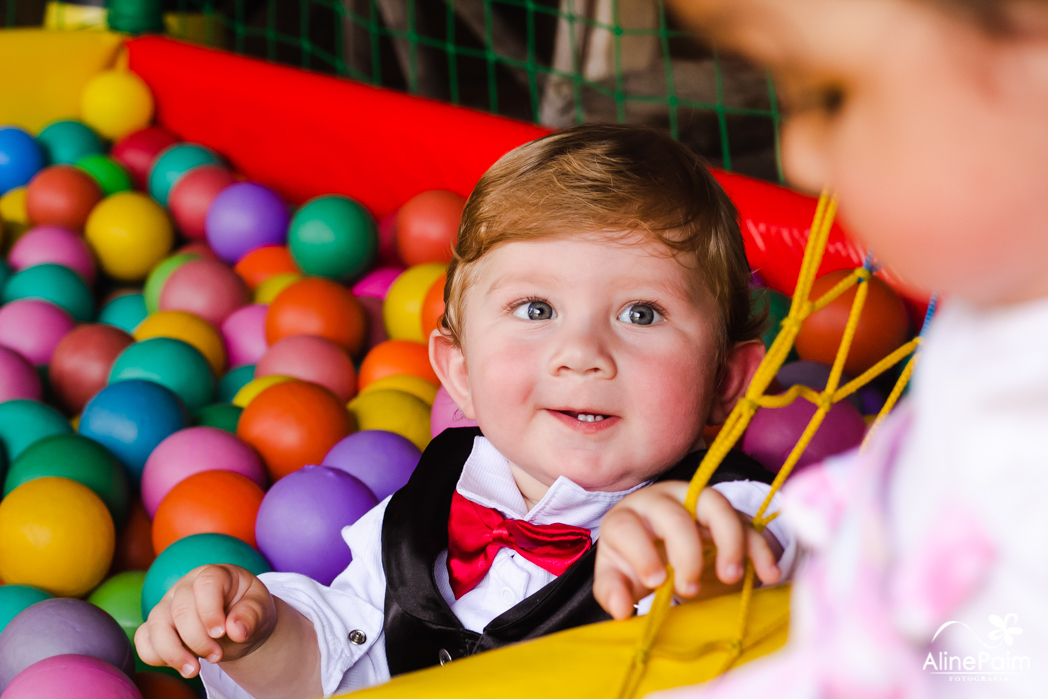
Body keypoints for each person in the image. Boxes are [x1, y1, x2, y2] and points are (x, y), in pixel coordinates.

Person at [135, 124, 797, 699]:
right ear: (461, 374)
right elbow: (339, 669)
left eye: (641, 312)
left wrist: (708, 564)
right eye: (536, 309)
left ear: (724, 381)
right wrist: (256, 634)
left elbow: (773, 574)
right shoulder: (415, 514)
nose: (582, 353)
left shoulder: (738, 510)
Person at [593, 1, 1048, 697]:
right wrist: (775, 539)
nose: (797, 156)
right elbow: (932, 486)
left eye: (831, 96)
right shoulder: (996, 304)